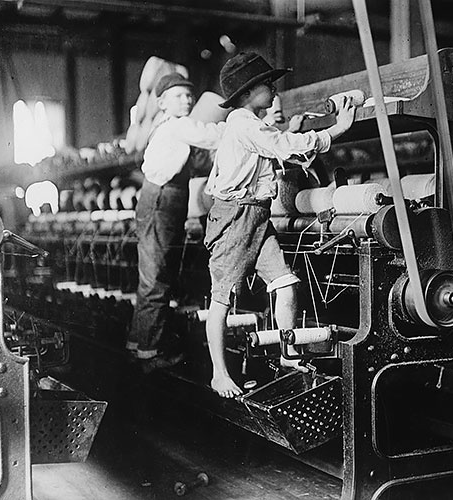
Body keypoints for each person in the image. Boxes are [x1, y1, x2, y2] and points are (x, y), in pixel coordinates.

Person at [204, 52, 355, 398]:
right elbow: (284, 146)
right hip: (236, 218)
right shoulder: (244, 124)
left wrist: (300, 134)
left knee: (286, 282)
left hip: (257, 215)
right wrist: (337, 129)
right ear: (246, 94)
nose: (274, 89)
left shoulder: (252, 124)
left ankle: (288, 354)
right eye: (267, 84)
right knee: (222, 299)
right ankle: (218, 374)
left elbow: (282, 145)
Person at [128, 72, 225, 362]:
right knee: (157, 276)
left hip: (164, 197)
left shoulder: (167, 126)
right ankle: (150, 353)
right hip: (163, 198)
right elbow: (213, 136)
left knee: (154, 274)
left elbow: (197, 162)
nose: (187, 100)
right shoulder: (177, 125)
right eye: (179, 96)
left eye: (189, 95)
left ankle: (139, 341)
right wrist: (244, 123)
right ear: (162, 103)